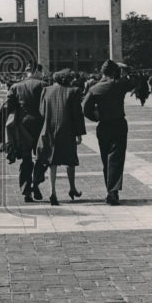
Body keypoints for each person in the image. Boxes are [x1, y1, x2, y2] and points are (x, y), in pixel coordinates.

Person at [82, 60, 136, 205]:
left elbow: (85, 109)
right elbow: (134, 82)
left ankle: (110, 189)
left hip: (103, 125)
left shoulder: (95, 88)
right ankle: (113, 191)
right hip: (118, 124)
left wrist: (95, 117)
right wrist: (127, 69)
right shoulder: (119, 84)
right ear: (114, 72)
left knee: (106, 159)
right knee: (116, 158)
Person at [33, 69, 87, 205]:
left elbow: (42, 111)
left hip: (49, 130)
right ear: (68, 79)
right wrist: (79, 134)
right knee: (70, 160)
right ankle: (72, 188)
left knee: (52, 162)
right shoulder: (74, 91)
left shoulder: (46, 90)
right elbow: (77, 115)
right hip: (67, 131)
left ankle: (52, 192)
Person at [6, 63, 47, 202]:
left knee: (26, 159)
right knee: (42, 157)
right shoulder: (43, 85)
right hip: (41, 126)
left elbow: (8, 107)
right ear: (36, 71)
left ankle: (26, 191)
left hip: (22, 127)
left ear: (27, 71)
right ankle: (36, 182)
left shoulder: (15, 87)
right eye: (41, 72)